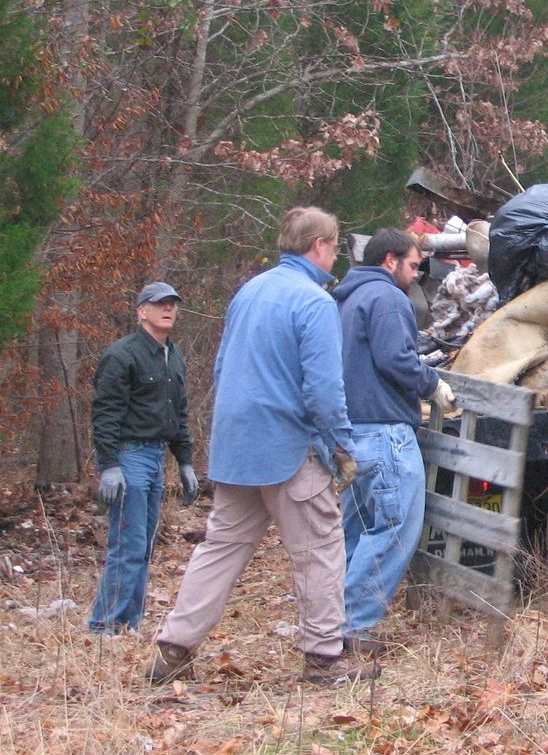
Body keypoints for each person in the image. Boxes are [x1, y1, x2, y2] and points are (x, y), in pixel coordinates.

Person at [148, 207, 378, 685]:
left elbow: (221, 368)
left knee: (220, 548)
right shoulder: (313, 302)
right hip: (289, 448)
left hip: (236, 445)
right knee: (320, 549)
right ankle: (323, 660)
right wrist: (341, 448)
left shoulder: (249, 291)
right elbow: (323, 390)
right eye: (334, 247)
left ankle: (172, 650)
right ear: (318, 246)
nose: (335, 257)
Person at [331, 228, 456, 654]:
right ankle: (354, 628)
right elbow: (395, 359)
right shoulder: (386, 299)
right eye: (413, 265)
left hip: (351, 432)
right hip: (385, 433)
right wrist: (432, 383)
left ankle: (329, 624)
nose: (417, 274)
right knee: (396, 529)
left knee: (357, 530)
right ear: (390, 260)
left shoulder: (344, 299)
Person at [89, 282, 197, 635]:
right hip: (129, 457)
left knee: (144, 545)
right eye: (159, 304)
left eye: (172, 304)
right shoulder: (122, 355)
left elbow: (178, 414)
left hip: (156, 458)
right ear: (141, 312)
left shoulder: (174, 356)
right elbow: (105, 413)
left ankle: (128, 624)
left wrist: (184, 462)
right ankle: (104, 626)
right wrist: (109, 465)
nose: (168, 309)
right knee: (129, 544)